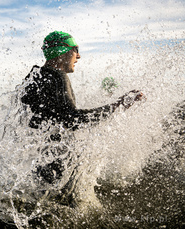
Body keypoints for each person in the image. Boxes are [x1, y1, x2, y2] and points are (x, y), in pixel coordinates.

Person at [20, 31, 145, 184]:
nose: (78, 56)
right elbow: (73, 119)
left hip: (38, 161)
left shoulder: (34, 76)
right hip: (55, 166)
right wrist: (119, 104)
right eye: (76, 50)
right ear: (63, 51)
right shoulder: (57, 77)